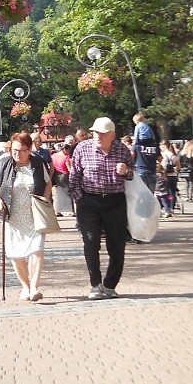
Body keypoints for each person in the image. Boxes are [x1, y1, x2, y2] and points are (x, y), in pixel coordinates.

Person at [69, 117, 135, 300]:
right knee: (91, 242)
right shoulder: (82, 148)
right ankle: (95, 284)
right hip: (89, 202)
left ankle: (110, 285)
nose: (98, 136)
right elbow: (74, 177)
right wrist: (79, 200)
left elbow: (132, 174)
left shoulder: (122, 150)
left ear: (112, 135)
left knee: (117, 245)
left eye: (103, 133)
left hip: (115, 202)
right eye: (96, 132)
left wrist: (126, 172)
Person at [0, 132, 52, 301]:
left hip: (34, 215)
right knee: (16, 254)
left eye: (22, 151)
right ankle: (25, 286)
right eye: (14, 150)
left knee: (37, 250)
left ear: (29, 149)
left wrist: (44, 200)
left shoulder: (38, 163)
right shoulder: (3, 162)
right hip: (13, 215)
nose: (17, 154)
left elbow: (48, 182)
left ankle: (35, 287)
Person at [131, 112, 160, 193]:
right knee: (150, 194)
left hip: (140, 172)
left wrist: (135, 143)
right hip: (152, 172)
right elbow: (152, 135)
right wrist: (153, 142)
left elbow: (136, 136)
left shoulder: (137, 127)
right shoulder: (147, 126)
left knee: (141, 195)